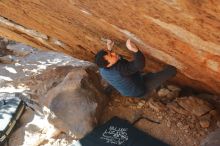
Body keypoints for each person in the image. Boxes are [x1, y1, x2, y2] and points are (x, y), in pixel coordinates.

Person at [95, 39, 177, 98]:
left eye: (110, 53)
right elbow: (139, 65)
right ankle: (172, 74)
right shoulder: (121, 70)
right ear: (108, 65)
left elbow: (107, 60)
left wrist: (109, 48)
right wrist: (135, 50)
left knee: (147, 75)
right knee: (171, 70)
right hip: (140, 90)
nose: (113, 53)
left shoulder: (102, 68)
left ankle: (150, 77)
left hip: (129, 87)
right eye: (111, 55)